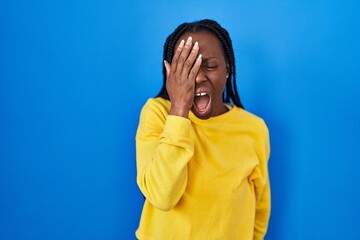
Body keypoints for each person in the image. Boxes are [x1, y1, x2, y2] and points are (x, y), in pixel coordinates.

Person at [135, 19, 271, 240]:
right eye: (186, 69)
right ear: (171, 75)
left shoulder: (253, 129)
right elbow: (162, 197)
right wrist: (178, 109)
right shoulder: (157, 114)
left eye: (210, 65)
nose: (197, 77)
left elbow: (260, 206)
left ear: (227, 69)